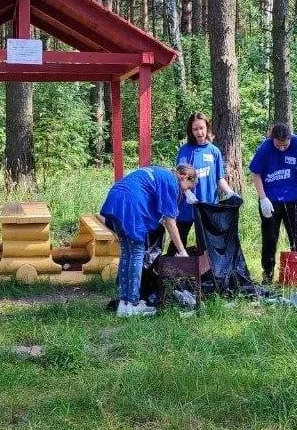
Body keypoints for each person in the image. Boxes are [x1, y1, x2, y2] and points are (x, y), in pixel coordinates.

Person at [100, 164, 196, 317]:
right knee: (137, 253)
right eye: (186, 188)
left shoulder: (161, 173)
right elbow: (171, 222)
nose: (184, 193)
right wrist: (182, 252)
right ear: (184, 177)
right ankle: (133, 303)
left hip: (115, 198)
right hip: (131, 204)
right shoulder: (172, 182)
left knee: (127, 253)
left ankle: (124, 304)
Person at [248, 122, 297, 284]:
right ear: (272, 140)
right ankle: (268, 275)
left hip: (293, 198)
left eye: (285, 144)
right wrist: (263, 198)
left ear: (290, 139)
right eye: (278, 144)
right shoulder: (265, 148)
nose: (282, 148)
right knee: (270, 238)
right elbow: (255, 173)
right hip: (270, 200)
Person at [169, 112, 235, 253]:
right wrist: (187, 193)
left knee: (207, 245)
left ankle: (205, 272)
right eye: (195, 129)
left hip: (208, 205)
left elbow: (219, 178)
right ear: (191, 131)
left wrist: (230, 192)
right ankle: (170, 271)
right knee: (178, 241)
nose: (199, 132)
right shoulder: (186, 150)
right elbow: (180, 175)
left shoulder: (214, 151)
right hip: (187, 205)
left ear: (207, 127)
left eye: (202, 128)